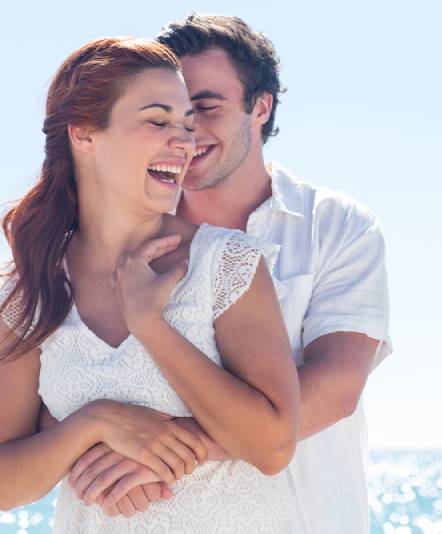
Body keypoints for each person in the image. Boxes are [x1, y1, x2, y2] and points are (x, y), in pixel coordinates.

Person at [65, 13, 393, 533]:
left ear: (259, 107)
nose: (185, 131)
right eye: (167, 112)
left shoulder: (336, 225)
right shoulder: (117, 241)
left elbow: (337, 386)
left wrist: (162, 447)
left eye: (204, 108)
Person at [0, 37, 305, 532]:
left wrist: (150, 324)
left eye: (188, 123)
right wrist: (95, 422)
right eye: (158, 121)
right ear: (84, 135)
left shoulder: (225, 263)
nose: (184, 142)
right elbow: (7, 484)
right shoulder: (31, 289)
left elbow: (273, 445)